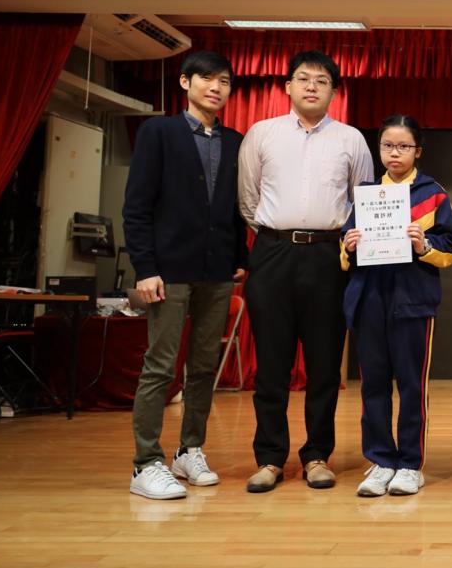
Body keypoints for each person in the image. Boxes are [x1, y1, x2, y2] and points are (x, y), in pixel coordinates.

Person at [238, 50, 373, 493]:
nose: (312, 86)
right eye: (303, 78)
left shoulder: (351, 139)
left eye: (322, 80)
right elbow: (248, 199)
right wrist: (275, 235)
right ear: (287, 86)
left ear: (334, 91)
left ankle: (317, 455)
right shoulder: (262, 133)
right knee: (271, 364)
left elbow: (362, 200)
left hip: (328, 256)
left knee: (324, 365)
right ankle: (269, 458)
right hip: (272, 252)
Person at [123, 50, 248, 500]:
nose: (216, 88)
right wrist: (145, 268)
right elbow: (137, 206)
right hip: (168, 271)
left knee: (204, 366)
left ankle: (189, 449)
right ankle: (145, 462)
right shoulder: (159, 132)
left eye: (224, 82)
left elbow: (235, 208)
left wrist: (239, 256)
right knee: (160, 365)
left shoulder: (234, 141)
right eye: (207, 79)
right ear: (185, 83)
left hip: (217, 271)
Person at [343, 115, 452, 497]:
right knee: (373, 384)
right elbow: (345, 251)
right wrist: (349, 245)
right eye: (387, 146)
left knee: (412, 385)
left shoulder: (432, 193)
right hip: (370, 297)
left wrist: (423, 245)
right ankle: (381, 460)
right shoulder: (366, 194)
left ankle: (410, 464)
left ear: (418, 151)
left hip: (413, 298)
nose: (395, 153)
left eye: (403, 146)